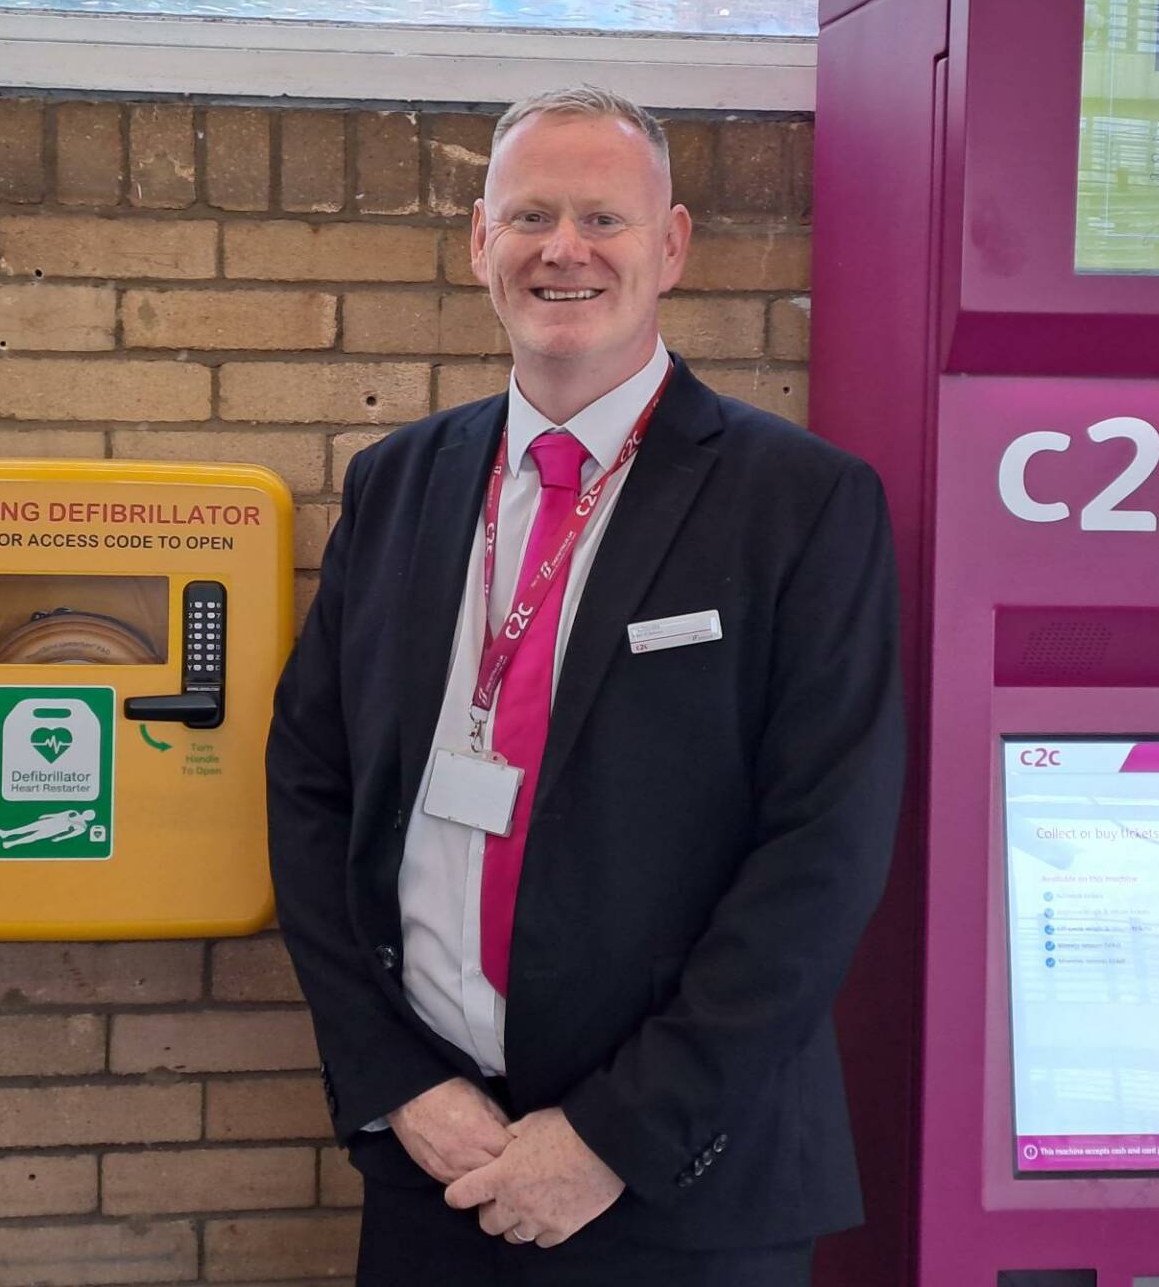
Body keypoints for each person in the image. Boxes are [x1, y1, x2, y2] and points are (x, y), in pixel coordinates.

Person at [267, 85, 903, 1286]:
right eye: (531, 216)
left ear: (672, 246)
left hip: (685, 1180)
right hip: (436, 1159)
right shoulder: (398, 484)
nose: (564, 249)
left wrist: (613, 1135)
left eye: (604, 219)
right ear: (480, 243)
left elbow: (824, 851)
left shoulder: (802, 504)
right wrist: (397, 1081)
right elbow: (309, 787)